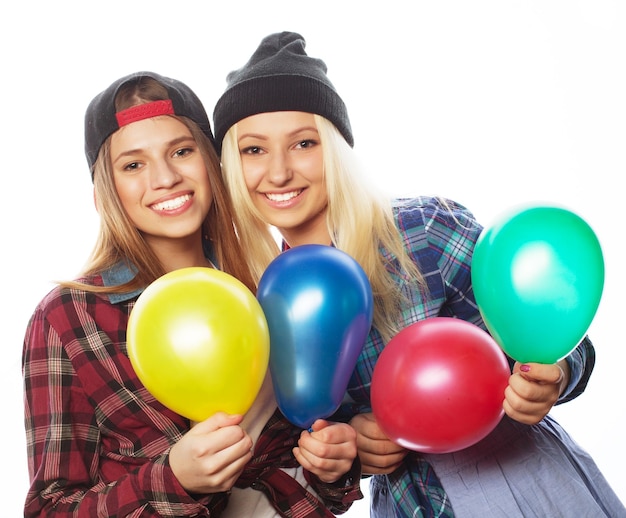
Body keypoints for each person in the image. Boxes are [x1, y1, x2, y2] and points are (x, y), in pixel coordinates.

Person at [212, 31, 626, 517]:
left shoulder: (423, 231)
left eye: (303, 143)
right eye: (253, 150)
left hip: (519, 484)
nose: (278, 173)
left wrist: (554, 375)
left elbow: (553, 335)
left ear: (338, 149)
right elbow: (316, 444)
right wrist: (348, 448)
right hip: (410, 505)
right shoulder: (258, 299)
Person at [22, 71, 363, 517]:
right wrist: (171, 478)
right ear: (106, 192)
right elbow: (49, 509)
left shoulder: (269, 290)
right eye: (133, 165)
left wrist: (333, 463)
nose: (165, 178)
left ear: (212, 162)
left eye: (181, 152)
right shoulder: (68, 317)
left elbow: (310, 467)